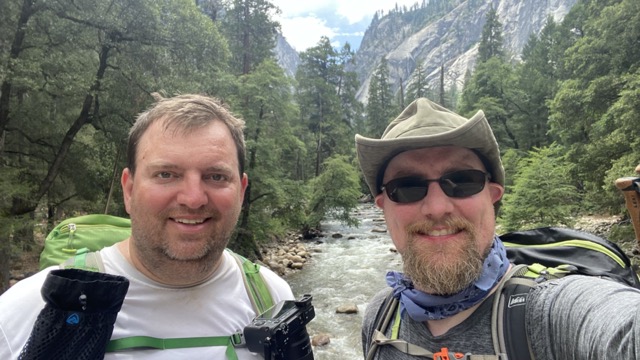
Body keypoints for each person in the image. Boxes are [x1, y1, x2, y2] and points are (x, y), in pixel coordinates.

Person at [0, 93, 295, 359]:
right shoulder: (32, 308)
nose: (193, 199)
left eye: (216, 176)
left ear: (241, 192)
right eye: (166, 174)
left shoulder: (272, 298)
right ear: (128, 190)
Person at [356, 98, 640, 359]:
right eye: (406, 187)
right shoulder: (380, 316)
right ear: (382, 206)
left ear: (492, 196)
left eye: (462, 181)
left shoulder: (552, 311)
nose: (437, 207)